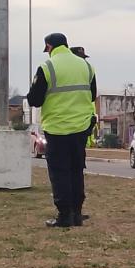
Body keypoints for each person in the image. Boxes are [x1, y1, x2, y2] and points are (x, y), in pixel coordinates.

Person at [26, 33, 97, 228]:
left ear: (49, 47)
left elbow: (35, 100)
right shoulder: (86, 66)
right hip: (81, 127)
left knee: (60, 172)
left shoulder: (47, 67)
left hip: (57, 128)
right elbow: (93, 94)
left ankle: (65, 215)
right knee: (76, 170)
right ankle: (77, 214)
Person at [70, 47, 98, 148]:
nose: (83, 61)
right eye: (80, 58)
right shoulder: (88, 69)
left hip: (83, 122)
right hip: (74, 124)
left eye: (84, 58)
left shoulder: (89, 70)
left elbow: (93, 97)